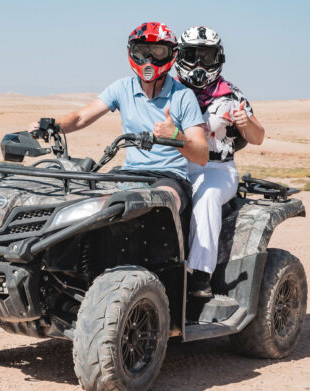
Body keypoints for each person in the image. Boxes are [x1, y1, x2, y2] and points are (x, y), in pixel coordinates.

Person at [30, 21, 208, 217]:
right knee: (86, 205)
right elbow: (81, 118)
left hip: (169, 177)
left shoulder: (183, 96)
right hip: (129, 174)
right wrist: (48, 125)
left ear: (171, 54)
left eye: (158, 52)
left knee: (160, 203)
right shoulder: (123, 88)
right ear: (131, 52)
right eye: (142, 51)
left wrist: (176, 136)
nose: (149, 59)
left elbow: (201, 156)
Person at [156, 26, 265, 297]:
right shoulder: (167, 91)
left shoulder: (232, 96)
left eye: (206, 57)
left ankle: (199, 275)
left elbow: (258, 137)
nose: (199, 65)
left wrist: (245, 122)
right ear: (179, 56)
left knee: (207, 196)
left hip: (216, 168)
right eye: (192, 56)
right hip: (172, 167)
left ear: (219, 58)